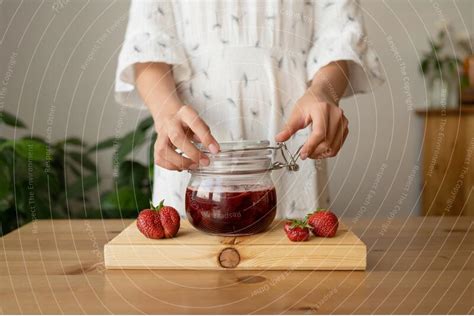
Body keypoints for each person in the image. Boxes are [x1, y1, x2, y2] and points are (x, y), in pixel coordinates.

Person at [115, 0, 383, 218]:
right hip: (192, 154)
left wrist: (324, 92)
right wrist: (166, 113)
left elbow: (337, 38)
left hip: (293, 145)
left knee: (298, 277)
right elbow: (147, 41)